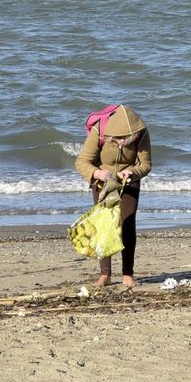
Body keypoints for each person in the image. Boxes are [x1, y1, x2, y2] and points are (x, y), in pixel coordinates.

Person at [74, 104, 152, 288]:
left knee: (127, 224)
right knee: (104, 227)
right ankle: (105, 274)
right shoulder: (99, 131)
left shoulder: (142, 134)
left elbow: (146, 164)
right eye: (115, 140)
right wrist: (96, 173)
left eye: (124, 140)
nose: (120, 144)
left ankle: (128, 274)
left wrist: (133, 171)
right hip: (103, 183)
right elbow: (82, 162)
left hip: (129, 181)